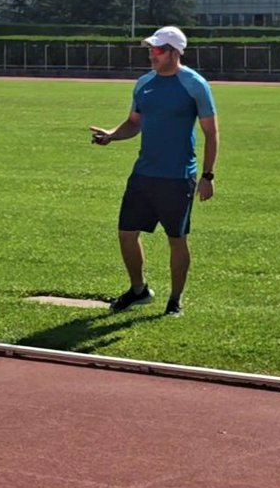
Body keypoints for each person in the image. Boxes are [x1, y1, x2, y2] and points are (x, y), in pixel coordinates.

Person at [89, 25, 218, 318]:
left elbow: (211, 133)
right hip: (144, 173)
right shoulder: (144, 83)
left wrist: (207, 176)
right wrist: (111, 134)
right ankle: (139, 290)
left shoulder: (195, 84)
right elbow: (134, 122)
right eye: (150, 49)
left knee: (176, 239)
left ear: (174, 52)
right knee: (126, 233)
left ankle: (175, 300)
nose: (152, 55)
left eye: (158, 50)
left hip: (177, 176)